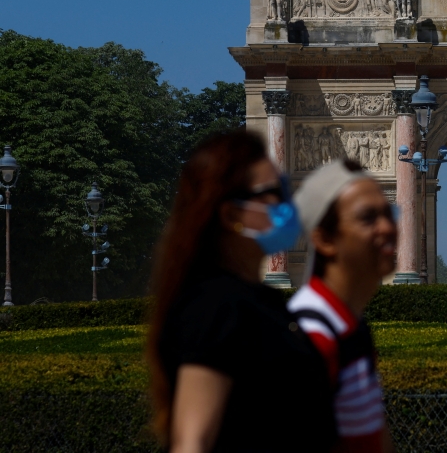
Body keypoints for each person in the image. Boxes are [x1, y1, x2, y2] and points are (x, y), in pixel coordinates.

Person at [146, 131, 335, 453]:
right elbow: (192, 443)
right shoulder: (215, 308)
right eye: (273, 193)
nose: (287, 203)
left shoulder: (256, 299)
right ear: (231, 214)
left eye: (285, 189)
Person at [288, 160, 398, 453]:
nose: (388, 227)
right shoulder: (310, 338)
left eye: (389, 213)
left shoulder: (350, 327)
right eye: (368, 218)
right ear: (324, 239)